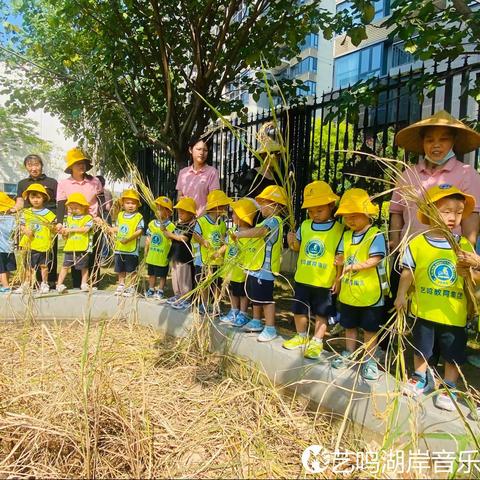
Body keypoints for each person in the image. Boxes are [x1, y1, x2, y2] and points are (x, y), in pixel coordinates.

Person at [394, 184, 479, 411]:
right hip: (424, 309)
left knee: (453, 353)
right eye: (447, 211)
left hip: (453, 312)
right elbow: (407, 273)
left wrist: (470, 271)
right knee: (422, 348)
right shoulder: (418, 243)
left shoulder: (463, 245)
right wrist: (401, 296)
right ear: (430, 212)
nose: (453, 217)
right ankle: (420, 377)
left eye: (459, 212)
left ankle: (449, 386)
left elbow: (473, 277)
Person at [390, 110, 480, 250]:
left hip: (448, 254)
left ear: (453, 142)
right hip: (409, 254)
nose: (436, 145)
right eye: (430, 140)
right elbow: (396, 213)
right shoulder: (407, 175)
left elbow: (471, 217)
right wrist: (395, 245)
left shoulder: (467, 173)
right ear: (423, 143)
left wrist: (468, 252)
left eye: (444, 139)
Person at [283, 181, 344, 359]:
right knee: (299, 309)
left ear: (331, 206)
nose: (315, 215)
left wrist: (338, 279)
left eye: (319, 210)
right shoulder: (305, 225)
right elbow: (297, 247)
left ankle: (317, 340)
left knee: (321, 312)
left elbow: (340, 257)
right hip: (303, 277)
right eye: (311, 211)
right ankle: (301, 336)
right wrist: (291, 240)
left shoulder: (339, 230)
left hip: (324, 281)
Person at [332, 188, 388, 381]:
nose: (350, 221)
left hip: (370, 293)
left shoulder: (375, 234)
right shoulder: (347, 236)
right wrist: (338, 274)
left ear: (367, 214)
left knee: (370, 329)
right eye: (347, 217)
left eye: (355, 216)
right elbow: (340, 256)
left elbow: (376, 258)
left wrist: (354, 265)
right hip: (349, 292)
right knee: (349, 325)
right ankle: (350, 353)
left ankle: (370, 359)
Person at [235, 185, 286, 343]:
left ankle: (270, 327)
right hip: (255, 267)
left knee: (265, 298)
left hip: (264, 268)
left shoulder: (274, 221)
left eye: (264, 203)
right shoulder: (265, 221)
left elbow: (260, 233)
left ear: (275, 204)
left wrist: (240, 234)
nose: (261, 206)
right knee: (255, 296)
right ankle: (256, 320)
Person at [56, 148, 103, 288]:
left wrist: (102, 218)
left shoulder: (94, 182)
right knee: (75, 250)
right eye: (78, 163)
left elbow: (101, 202)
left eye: (83, 163)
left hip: (93, 222)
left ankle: (94, 282)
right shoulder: (64, 184)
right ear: (71, 167)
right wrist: (59, 223)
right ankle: (78, 283)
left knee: (93, 252)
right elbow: (60, 204)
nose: (81, 166)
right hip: (74, 223)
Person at [15, 154, 58, 286]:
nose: (33, 168)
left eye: (36, 165)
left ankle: (48, 281)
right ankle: (29, 281)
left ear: (41, 166)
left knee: (49, 251)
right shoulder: (22, 184)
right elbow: (19, 202)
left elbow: (59, 201)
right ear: (26, 167)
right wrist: (12, 210)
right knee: (29, 253)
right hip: (29, 219)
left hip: (47, 219)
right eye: (30, 165)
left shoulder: (52, 182)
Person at [218, 198, 257, 327]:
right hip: (230, 269)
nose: (232, 215)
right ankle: (234, 310)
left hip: (241, 271)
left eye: (234, 213)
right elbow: (228, 245)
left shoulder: (250, 235)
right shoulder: (234, 230)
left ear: (242, 216)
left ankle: (243, 313)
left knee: (242, 293)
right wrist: (219, 252)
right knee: (233, 291)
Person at [192, 189, 231, 313]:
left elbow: (223, 239)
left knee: (216, 283)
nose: (225, 208)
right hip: (204, 260)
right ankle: (204, 303)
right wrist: (203, 241)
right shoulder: (202, 221)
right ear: (217, 207)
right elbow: (195, 234)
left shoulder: (222, 224)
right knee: (204, 284)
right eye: (223, 206)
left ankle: (215, 304)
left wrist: (221, 249)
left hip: (217, 260)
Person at [16, 184, 56, 294]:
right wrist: (24, 230)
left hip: (43, 243)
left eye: (38, 197)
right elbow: (21, 224)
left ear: (44, 198)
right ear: (28, 198)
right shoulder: (26, 212)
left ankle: (44, 283)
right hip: (30, 244)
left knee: (44, 266)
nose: (35, 200)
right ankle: (26, 284)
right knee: (29, 266)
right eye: (33, 197)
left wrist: (52, 227)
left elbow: (54, 227)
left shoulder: (49, 213)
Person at [56, 193, 94, 293]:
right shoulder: (69, 218)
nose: (73, 210)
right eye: (71, 208)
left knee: (84, 267)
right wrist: (64, 233)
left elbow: (86, 229)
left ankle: (84, 283)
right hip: (70, 246)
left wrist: (70, 230)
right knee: (65, 266)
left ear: (84, 207)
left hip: (82, 247)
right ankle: (59, 284)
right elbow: (66, 234)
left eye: (76, 208)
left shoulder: (88, 218)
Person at [110, 189, 144, 297]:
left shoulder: (139, 217)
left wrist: (128, 239)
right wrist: (111, 229)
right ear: (123, 204)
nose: (130, 205)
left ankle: (132, 287)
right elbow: (118, 228)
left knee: (131, 269)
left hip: (131, 250)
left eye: (133, 203)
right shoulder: (120, 215)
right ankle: (121, 285)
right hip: (120, 248)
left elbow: (139, 231)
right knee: (120, 268)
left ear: (137, 205)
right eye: (128, 203)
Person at [166, 197, 197, 310]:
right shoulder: (179, 224)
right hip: (175, 254)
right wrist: (165, 231)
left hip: (184, 256)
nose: (180, 214)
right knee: (175, 276)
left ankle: (186, 298)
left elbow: (183, 238)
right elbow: (172, 236)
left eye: (183, 212)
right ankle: (178, 295)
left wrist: (168, 233)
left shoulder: (192, 225)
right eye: (179, 212)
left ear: (190, 213)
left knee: (184, 277)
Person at [176, 137, 220, 216]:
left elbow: (213, 200)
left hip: (204, 222)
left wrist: (199, 218)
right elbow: (179, 196)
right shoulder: (183, 173)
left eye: (205, 150)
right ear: (190, 150)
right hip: (186, 221)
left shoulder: (212, 172)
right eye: (198, 149)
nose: (202, 153)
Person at [144, 196, 175, 299]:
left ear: (168, 212)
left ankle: (160, 290)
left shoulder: (171, 226)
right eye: (157, 208)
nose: (158, 211)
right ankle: (151, 289)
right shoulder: (152, 224)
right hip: (152, 255)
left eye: (161, 209)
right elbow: (148, 237)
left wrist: (165, 230)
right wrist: (146, 249)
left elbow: (172, 239)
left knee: (162, 275)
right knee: (151, 274)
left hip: (162, 256)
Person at [0, 192, 17, 293]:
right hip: (9, 248)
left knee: (1, 269)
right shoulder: (13, 218)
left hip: (1, 248)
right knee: (7, 268)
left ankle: (5, 286)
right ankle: (8, 285)